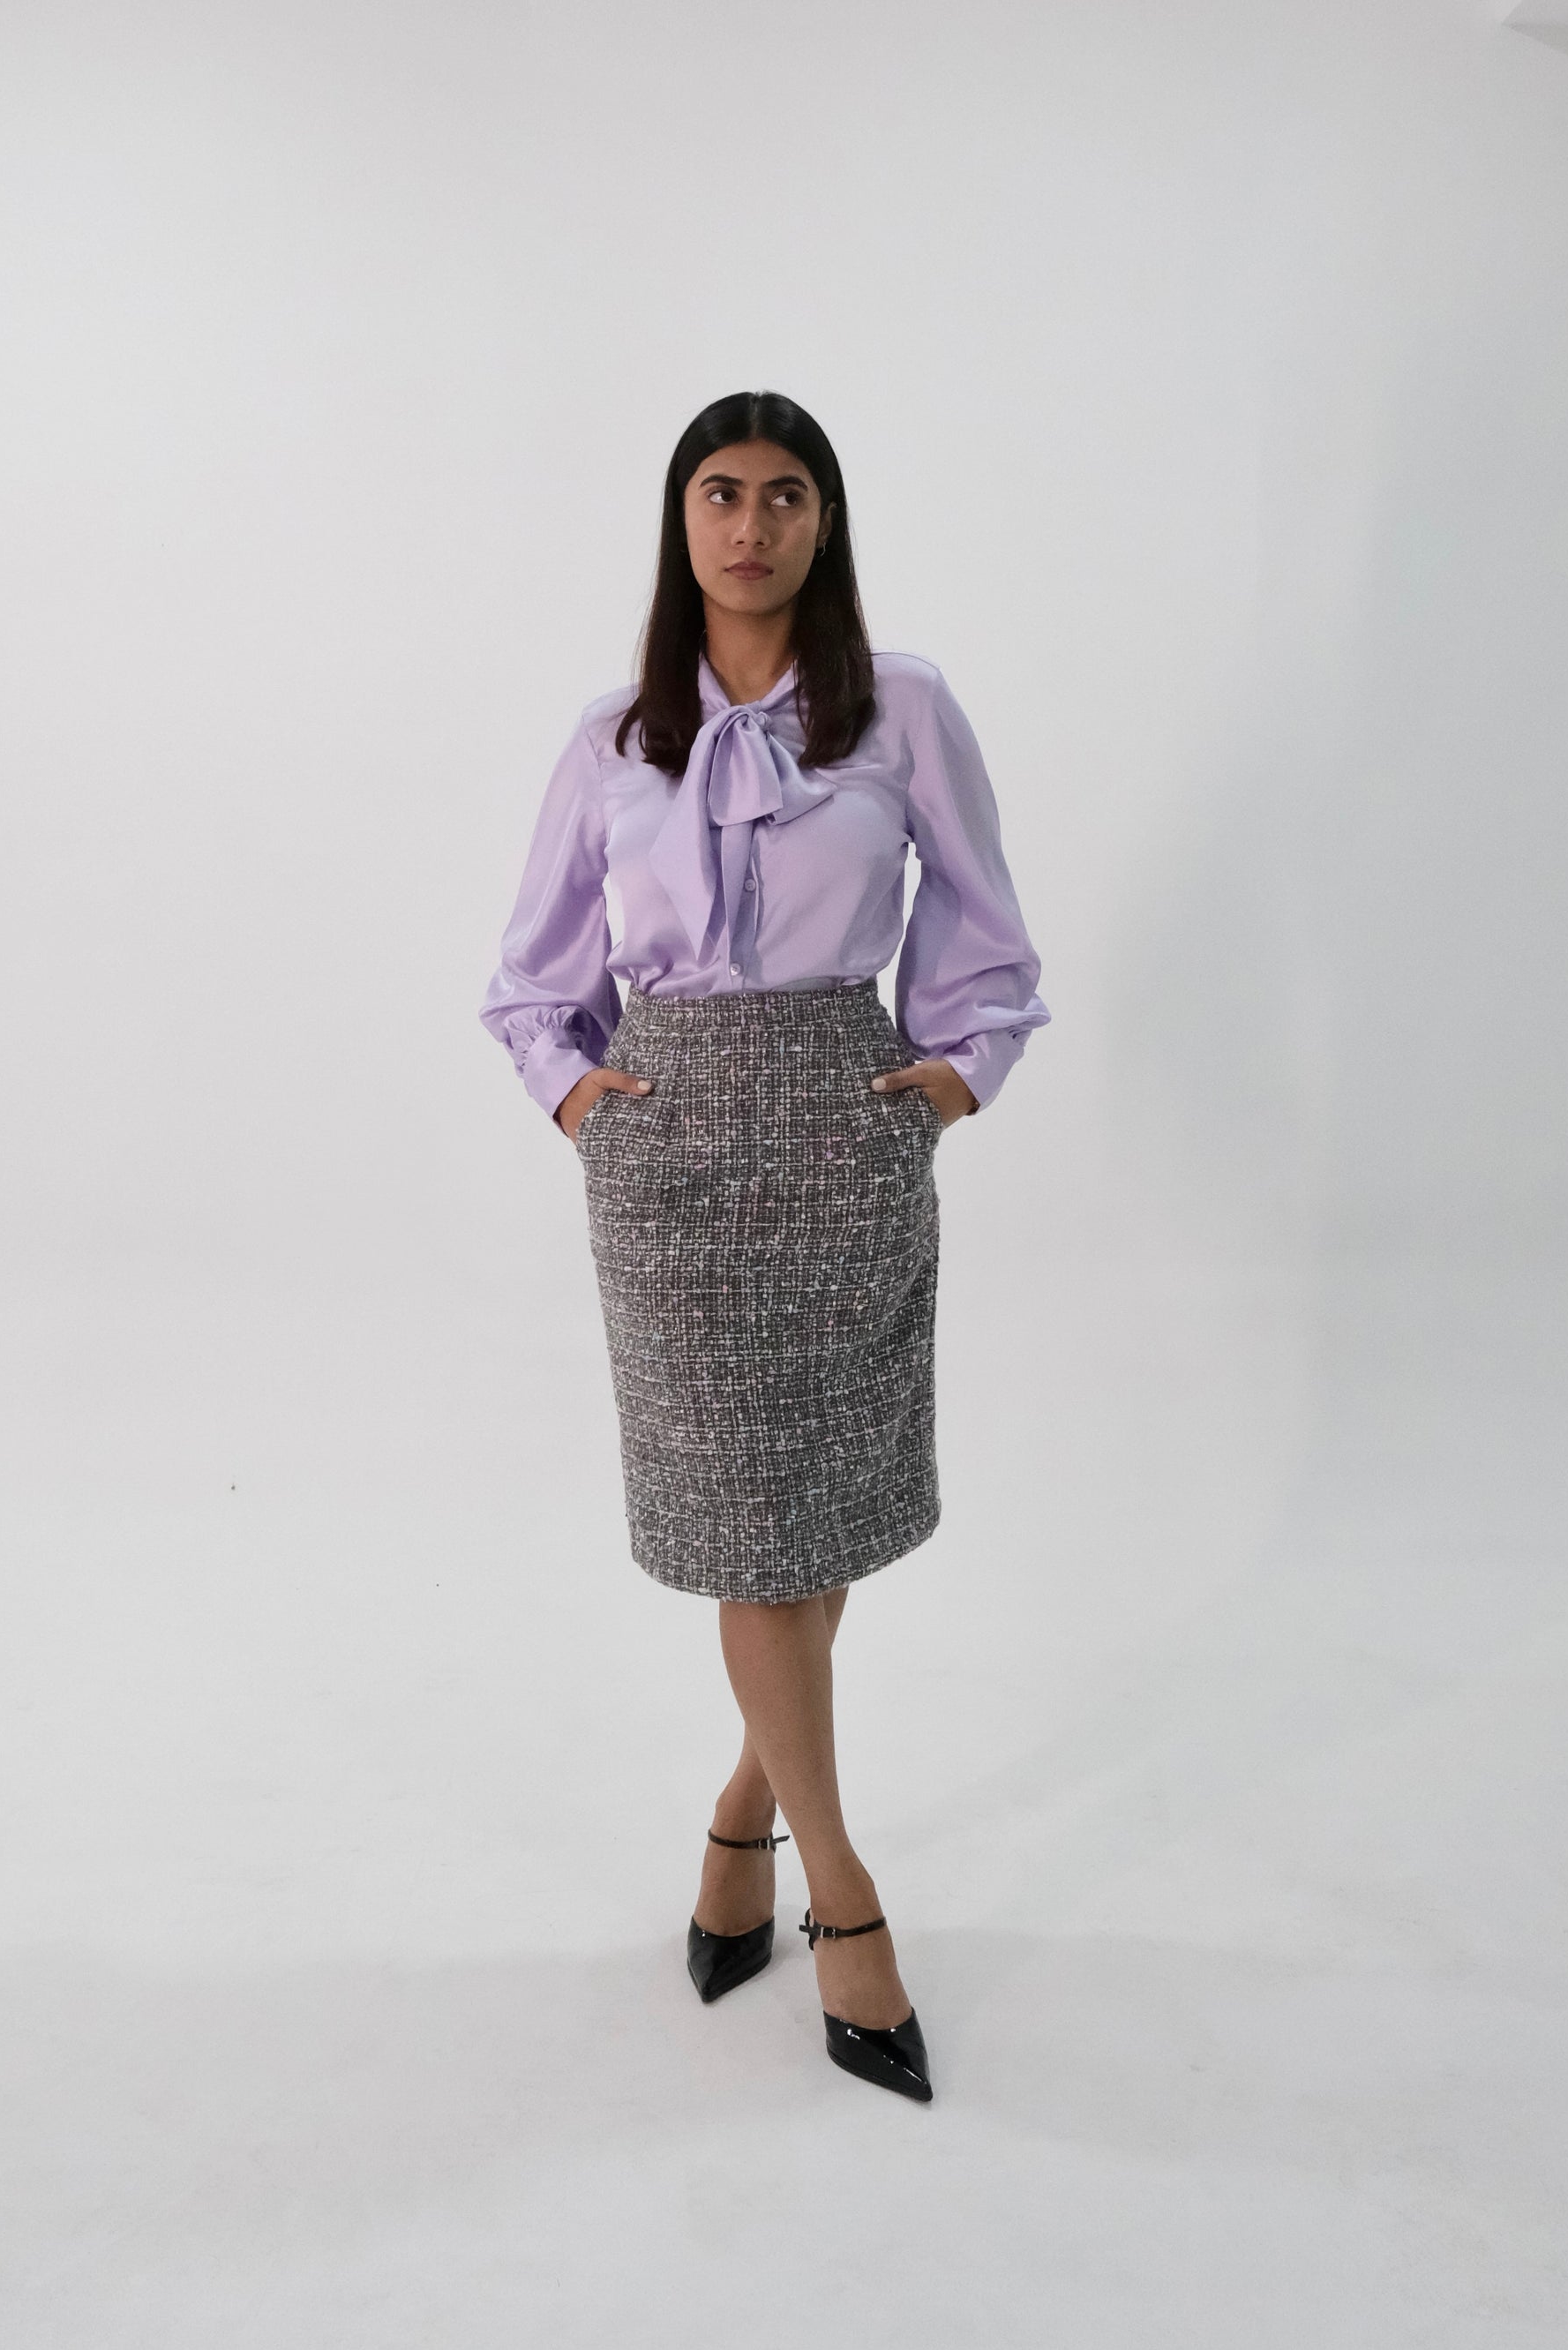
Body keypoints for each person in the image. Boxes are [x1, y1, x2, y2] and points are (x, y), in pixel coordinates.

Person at [482, 391, 1047, 2103]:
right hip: (670, 1147)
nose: (750, 524)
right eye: (720, 494)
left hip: (840, 1121)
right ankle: (845, 1900)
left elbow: (985, 924)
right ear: (682, 523)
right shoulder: (611, 737)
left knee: (818, 1514)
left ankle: (743, 1813)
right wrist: (589, 1104)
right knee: (750, 1526)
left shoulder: (903, 707)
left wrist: (948, 1078)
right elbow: (530, 979)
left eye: (784, 494)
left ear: (824, 520)